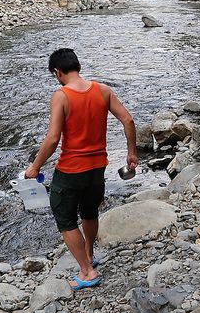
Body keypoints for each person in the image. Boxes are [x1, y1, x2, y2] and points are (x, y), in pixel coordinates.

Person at [25, 48, 137, 290]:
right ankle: (88, 255)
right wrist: (131, 153)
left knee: (65, 218)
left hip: (71, 170)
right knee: (89, 212)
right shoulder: (103, 90)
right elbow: (128, 120)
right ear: (78, 67)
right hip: (98, 167)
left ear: (57, 72)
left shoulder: (61, 96)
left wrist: (35, 166)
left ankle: (87, 271)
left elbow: (53, 138)